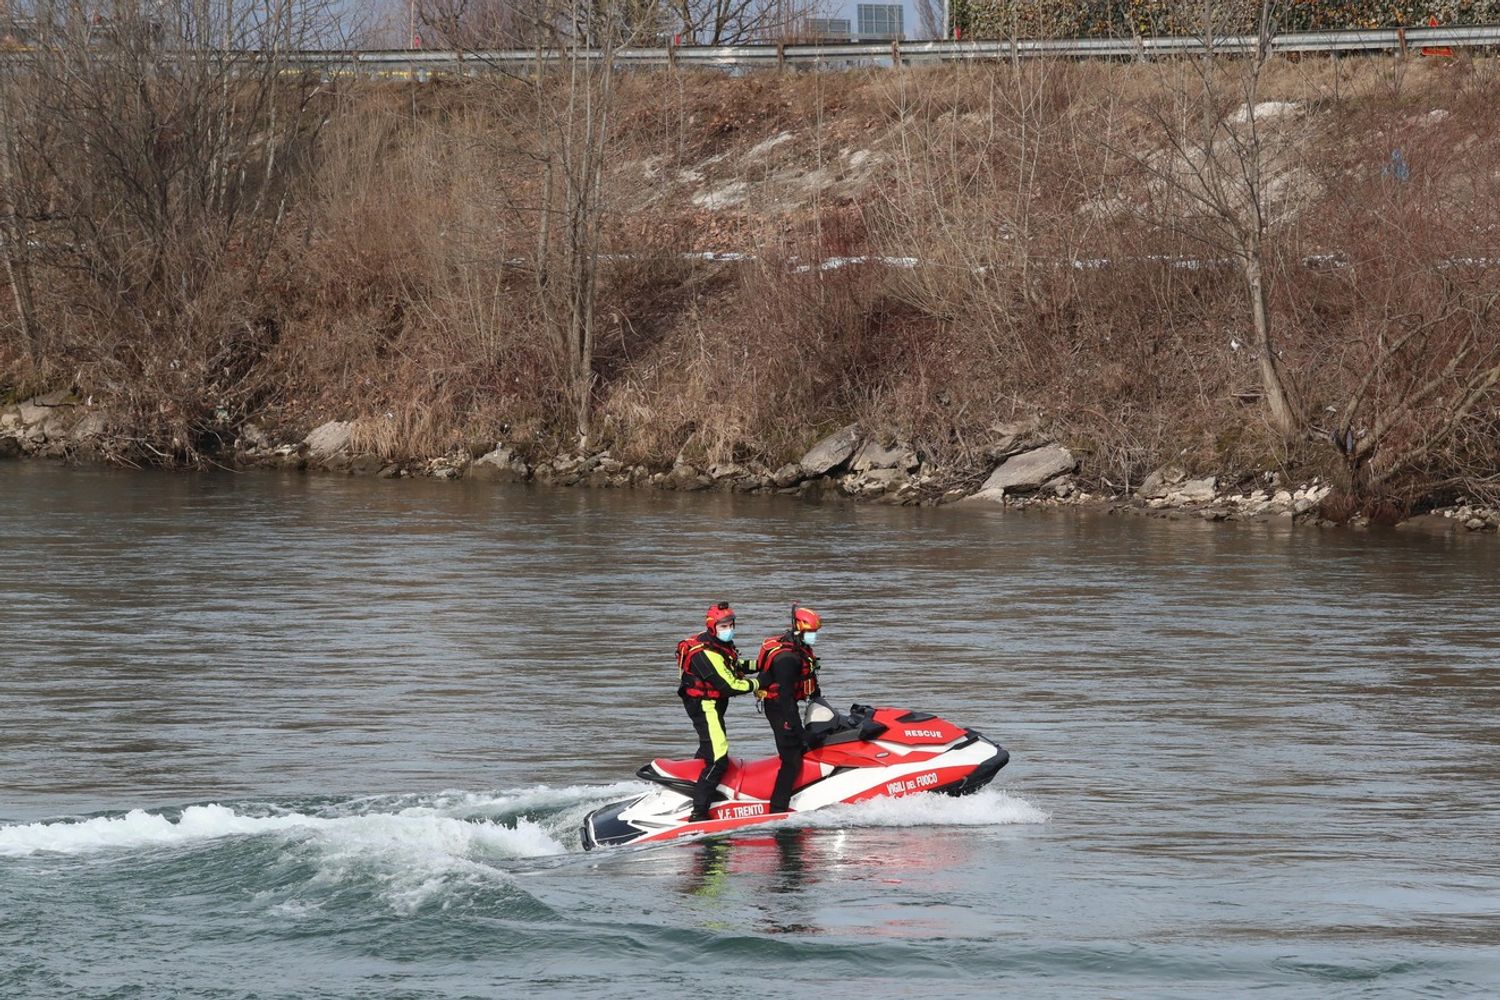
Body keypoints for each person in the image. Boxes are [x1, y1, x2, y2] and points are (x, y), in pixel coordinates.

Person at [677, 601, 758, 821]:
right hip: (704, 705)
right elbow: (728, 685)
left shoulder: (718, 645)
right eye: (723, 626)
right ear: (713, 627)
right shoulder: (706, 654)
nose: (729, 629)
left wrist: (760, 664)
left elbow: (733, 664)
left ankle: (688, 791)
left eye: (731, 624)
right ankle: (699, 813)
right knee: (718, 758)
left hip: (711, 703)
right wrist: (759, 684)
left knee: (707, 748)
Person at [754, 606, 823, 814]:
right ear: (799, 631)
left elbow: (810, 683)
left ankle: (799, 794)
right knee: (791, 758)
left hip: (787, 704)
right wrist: (800, 732)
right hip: (779, 708)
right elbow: (785, 700)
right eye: (810, 633)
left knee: (800, 749)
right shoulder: (787, 660)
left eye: (815, 632)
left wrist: (819, 702)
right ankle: (778, 808)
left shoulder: (799, 648)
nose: (813, 636)